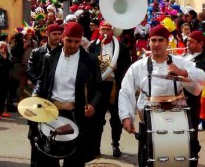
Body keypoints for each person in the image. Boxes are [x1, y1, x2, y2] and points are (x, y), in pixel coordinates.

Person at [118, 25, 205, 167]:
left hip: (177, 121)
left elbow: (202, 80)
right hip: (147, 123)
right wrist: (126, 117)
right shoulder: (138, 66)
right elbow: (125, 91)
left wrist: (182, 72)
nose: (157, 44)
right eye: (153, 40)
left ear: (167, 42)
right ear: (149, 42)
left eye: (161, 40)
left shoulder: (181, 62)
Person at [32, 22, 102, 166]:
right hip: (51, 113)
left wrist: (93, 106)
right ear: (63, 38)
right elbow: (42, 81)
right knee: (47, 159)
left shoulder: (90, 60)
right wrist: (35, 95)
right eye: (69, 40)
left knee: (75, 160)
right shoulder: (50, 57)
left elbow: (99, 89)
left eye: (77, 42)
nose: (73, 45)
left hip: (76, 115)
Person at [87, 21, 132, 158]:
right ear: (99, 31)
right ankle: (96, 146)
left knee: (116, 118)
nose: (105, 32)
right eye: (103, 29)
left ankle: (115, 144)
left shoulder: (121, 46)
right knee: (97, 118)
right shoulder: (92, 46)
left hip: (114, 85)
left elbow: (127, 65)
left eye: (108, 29)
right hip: (98, 86)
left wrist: (118, 67)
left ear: (113, 31)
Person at [26, 23, 62, 166]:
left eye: (60, 34)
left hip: (54, 97)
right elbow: (29, 70)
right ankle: (34, 161)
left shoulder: (62, 52)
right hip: (39, 95)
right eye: (55, 34)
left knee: (52, 131)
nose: (58, 37)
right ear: (48, 35)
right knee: (34, 133)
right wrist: (40, 82)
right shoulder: (37, 52)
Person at [181, 30, 205, 166]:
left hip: (191, 102)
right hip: (179, 101)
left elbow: (194, 79)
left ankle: (193, 161)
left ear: (201, 44)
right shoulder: (186, 56)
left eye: (191, 42)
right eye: (187, 41)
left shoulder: (203, 61)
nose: (188, 44)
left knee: (191, 135)